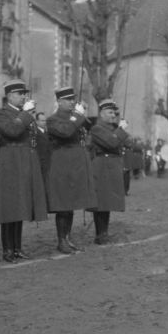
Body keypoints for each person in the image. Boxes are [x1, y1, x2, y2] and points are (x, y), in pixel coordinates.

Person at [0, 79, 48, 263]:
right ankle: (7, 249)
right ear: (9, 96)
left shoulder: (25, 115)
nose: (23, 97)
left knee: (20, 205)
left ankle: (16, 247)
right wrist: (25, 115)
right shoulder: (1, 114)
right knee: (9, 208)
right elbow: (12, 130)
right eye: (19, 94)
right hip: (9, 162)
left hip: (24, 162)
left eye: (24, 94)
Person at [46, 87, 96, 254]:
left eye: (72, 99)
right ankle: (61, 240)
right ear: (59, 102)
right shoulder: (53, 120)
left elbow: (85, 134)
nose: (72, 102)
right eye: (67, 99)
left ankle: (67, 238)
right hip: (62, 164)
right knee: (63, 204)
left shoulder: (75, 118)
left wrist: (80, 117)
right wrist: (77, 117)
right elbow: (66, 132)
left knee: (72, 203)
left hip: (76, 164)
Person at [87, 99, 130, 244]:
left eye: (114, 113)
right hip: (102, 166)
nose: (113, 115)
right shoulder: (97, 128)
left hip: (112, 166)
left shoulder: (114, 129)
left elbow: (126, 143)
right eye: (110, 112)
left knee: (109, 201)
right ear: (101, 113)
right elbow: (111, 142)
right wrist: (121, 131)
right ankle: (100, 234)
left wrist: (120, 130)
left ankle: (104, 232)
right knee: (101, 202)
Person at [34, 111, 52, 184]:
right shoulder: (35, 133)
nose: (44, 122)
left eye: (45, 120)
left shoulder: (47, 132)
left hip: (48, 160)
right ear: (37, 121)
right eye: (42, 121)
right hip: (41, 161)